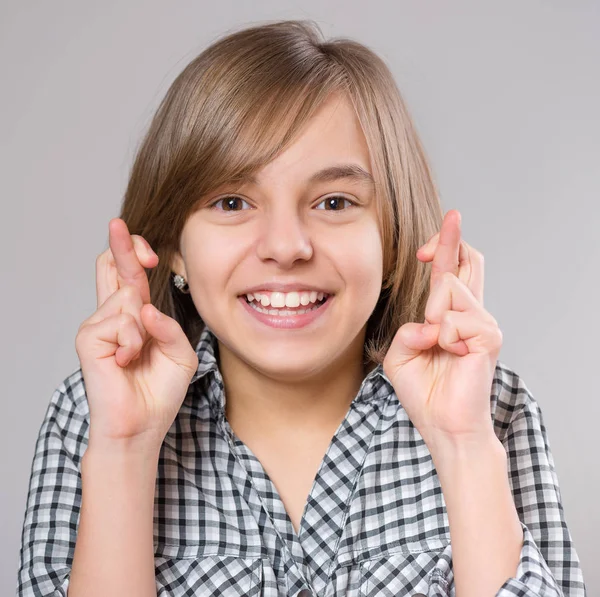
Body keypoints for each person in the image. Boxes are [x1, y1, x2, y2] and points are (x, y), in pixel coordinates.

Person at [16, 19, 586, 597]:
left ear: (392, 240)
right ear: (172, 249)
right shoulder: (90, 420)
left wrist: (463, 444)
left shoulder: (493, 412)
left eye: (334, 201)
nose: (286, 246)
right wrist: (125, 450)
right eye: (232, 201)